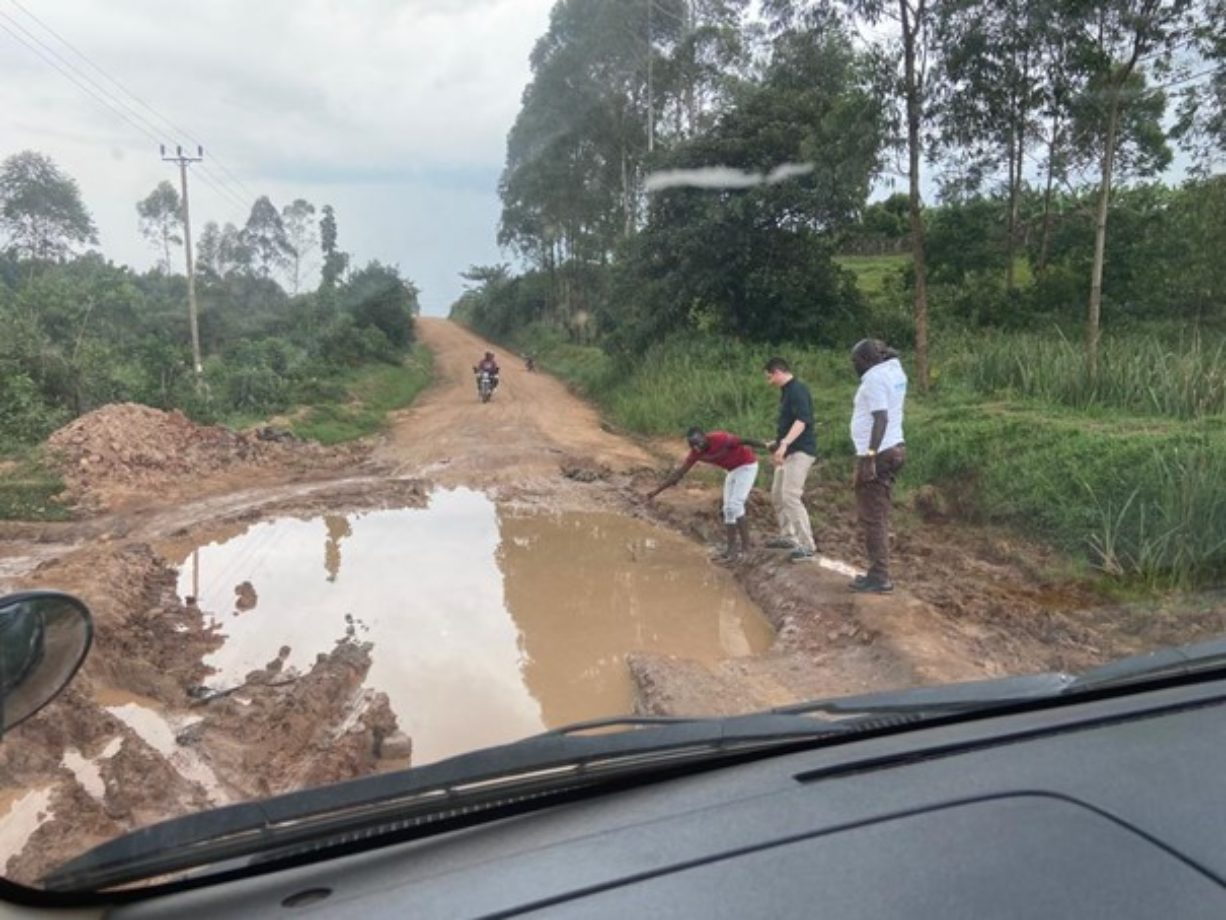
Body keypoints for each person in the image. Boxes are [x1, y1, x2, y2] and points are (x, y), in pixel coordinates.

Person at [646, 427, 765, 562]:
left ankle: (746, 550)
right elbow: (679, 474)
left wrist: (767, 446)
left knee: (735, 505)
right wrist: (655, 492)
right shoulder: (696, 453)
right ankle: (730, 551)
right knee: (727, 509)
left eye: (698, 443)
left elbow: (744, 441)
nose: (697, 448)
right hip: (732, 471)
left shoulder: (721, 438)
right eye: (693, 445)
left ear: (705, 437)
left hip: (747, 466)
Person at [849, 338, 908, 593]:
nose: (854, 366)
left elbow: (880, 418)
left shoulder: (873, 379)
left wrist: (869, 457)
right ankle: (878, 572)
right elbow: (893, 354)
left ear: (865, 360)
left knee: (873, 517)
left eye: (855, 361)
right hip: (895, 448)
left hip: (880, 453)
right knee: (877, 513)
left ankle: (879, 577)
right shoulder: (894, 369)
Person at [763, 357, 818, 562]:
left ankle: (807, 546)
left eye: (770, 377)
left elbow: (803, 420)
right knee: (777, 494)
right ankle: (789, 536)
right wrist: (778, 444)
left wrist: (785, 443)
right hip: (787, 451)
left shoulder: (797, 390)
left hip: (800, 452)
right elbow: (788, 422)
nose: (769, 382)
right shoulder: (786, 392)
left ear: (778, 372)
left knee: (791, 496)